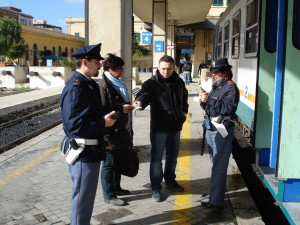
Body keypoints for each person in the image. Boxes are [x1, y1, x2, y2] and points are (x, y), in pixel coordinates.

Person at [60, 43, 133, 225]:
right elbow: (75, 125)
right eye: (97, 62)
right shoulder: (76, 88)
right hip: (84, 151)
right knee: (82, 199)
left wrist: (119, 108)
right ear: (85, 62)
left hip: (91, 150)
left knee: (85, 198)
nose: (100, 65)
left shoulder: (88, 85)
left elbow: (97, 110)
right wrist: (103, 123)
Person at [134, 55, 189, 202]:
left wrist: (184, 111)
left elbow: (184, 98)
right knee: (157, 159)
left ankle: (170, 180)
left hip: (175, 127)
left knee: (172, 157)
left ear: (173, 68)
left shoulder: (178, 81)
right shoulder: (151, 83)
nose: (166, 72)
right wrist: (139, 102)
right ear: (158, 68)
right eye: (163, 68)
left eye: (169, 69)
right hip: (159, 128)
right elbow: (144, 95)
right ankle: (156, 187)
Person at [198, 57, 239, 210]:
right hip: (211, 128)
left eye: (217, 72)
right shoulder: (217, 86)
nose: (214, 75)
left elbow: (227, 108)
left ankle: (216, 201)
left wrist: (208, 100)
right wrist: (204, 101)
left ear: (226, 73)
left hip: (222, 131)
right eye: (213, 72)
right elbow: (211, 107)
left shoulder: (230, 88)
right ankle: (214, 193)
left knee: (219, 166)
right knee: (215, 163)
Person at [98, 53, 133, 206]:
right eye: (119, 68)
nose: (122, 70)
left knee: (117, 162)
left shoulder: (117, 83)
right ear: (110, 69)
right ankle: (109, 195)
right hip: (110, 134)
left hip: (121, 131)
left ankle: (116, 188)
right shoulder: (104, 86)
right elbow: (104, 112)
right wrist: (106, 140)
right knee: (109, 165)